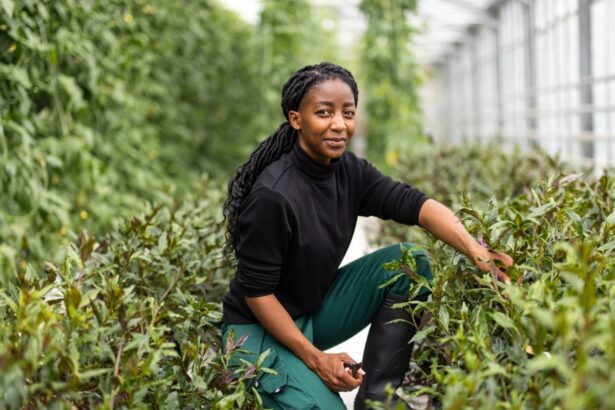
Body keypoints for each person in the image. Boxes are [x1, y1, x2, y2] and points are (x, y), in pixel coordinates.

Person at [220, 62, 513, 409]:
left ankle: (377, 402)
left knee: (411, 264)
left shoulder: (350, 172)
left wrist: (474, 250)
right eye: (324, 113)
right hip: (257, 332)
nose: (339, 125)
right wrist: (317, 360)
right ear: (296, 119)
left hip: (311, 311)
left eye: (348, 113)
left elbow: (415, 204)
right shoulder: (274, 195)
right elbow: (258, 295)